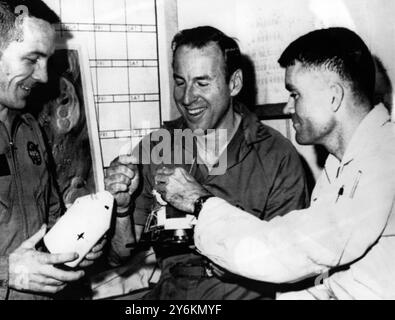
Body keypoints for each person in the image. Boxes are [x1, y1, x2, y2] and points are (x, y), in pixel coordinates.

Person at [155, 27, 395, 299]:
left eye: (295, 94)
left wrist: (201, 203)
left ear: (334, 97)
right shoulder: (343, 163)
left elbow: (288, 254)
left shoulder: (384, 162)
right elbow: (322, 281)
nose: (287, 108)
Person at [105, 26, 309, 300]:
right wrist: (120, 208)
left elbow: (289, 264)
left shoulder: (276, 156)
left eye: (202, 83)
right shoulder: (157, 147)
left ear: (234, 83)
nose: (187, 98)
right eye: (180, 82)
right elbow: (119, 256)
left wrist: (205, 208)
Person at [0, 0, 102, 300]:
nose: (44, 76)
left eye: (46, 60)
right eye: (32, 59)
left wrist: (72, 246)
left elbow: (50, 219)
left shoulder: (29, 128)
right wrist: (6, 272)